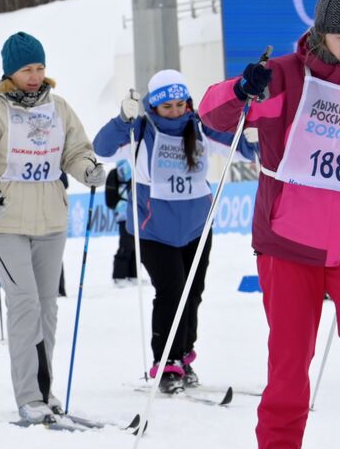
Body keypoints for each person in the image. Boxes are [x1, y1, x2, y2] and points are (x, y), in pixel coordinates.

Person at [199, 0, 340, 449]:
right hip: (287, 243)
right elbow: (214, 113)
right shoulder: (285, 78)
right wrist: (241, 89)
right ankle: (279, 444)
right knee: (291, 353)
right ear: (322, 30)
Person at [0, 32, 105, 423]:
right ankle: (29, 395)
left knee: (46, 308)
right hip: (5, 223)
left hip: (52, 221)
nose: (36, 75)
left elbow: (75, 150)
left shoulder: (59, 108)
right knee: (23, 305)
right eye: (27, 69)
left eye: (40, 67)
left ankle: (44, 389)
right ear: (11, 71)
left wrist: (87, 168)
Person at [96, 71, 257, 393]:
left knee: (193, 293)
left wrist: (251, 129)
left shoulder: (200, 126)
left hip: (197, 226)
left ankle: (184, 355)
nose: (175, 111)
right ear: (153, 106)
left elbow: (243, 149)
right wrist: (122, 120)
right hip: (154, 229)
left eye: (180, 104)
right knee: (171, 292)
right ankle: (165, 361)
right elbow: (102, 150)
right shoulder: (139, 131)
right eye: (167, 106)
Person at [104, 159, 138, 285]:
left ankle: (133, 275)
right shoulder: (117, 171)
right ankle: (119, 276)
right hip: (124, 213)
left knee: (136, 245)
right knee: (126, 243)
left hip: (135, 213)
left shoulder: (135, 168)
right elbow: (110, 196)